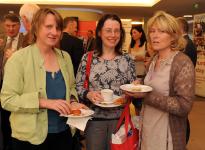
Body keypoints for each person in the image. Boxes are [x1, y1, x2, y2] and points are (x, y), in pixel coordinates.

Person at [1, 8, 87, 150]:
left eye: (58, 28)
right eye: (48, 27)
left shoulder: (65, 57)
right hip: (29, 139)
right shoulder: (19, 59)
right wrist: (44, 102)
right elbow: (7, 100)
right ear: (36, 28)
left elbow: (71, 87)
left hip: (64, 134)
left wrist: (73, 101)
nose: (54, 32)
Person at [125, 11, 195, 150]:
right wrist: (139, 85)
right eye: (152, 31)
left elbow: (184, 106)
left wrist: (146, 95)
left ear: (173, 36)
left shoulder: (182, 62)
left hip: (166, 135)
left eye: (161, 31)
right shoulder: (153, 59)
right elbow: (149, 87)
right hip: (147, 129)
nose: (155, 36)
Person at [76, 14, 136, 150]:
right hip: (94, 121)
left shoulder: (127, 60)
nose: (113, 35)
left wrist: (134, 90)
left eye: (117, 31)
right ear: (99, 32)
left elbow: (134, 90)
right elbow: (78, 86)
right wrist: (88, 94)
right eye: (108, 30)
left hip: (121, 121)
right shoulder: (88, 57)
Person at [0, 13, 24, 150]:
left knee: (13, 117)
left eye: (13, 26)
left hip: (17, 85)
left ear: (19, 26)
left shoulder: (25, 40)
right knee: (3, 118)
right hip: (2, 82)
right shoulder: (2, 39)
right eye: (8, 26)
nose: (10, 29)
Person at [177, 17, 197, 144]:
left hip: (183, 85)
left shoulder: (185, 44)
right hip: (185, 83)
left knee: (182, 115)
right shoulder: (188, 42)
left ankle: (183, 141)